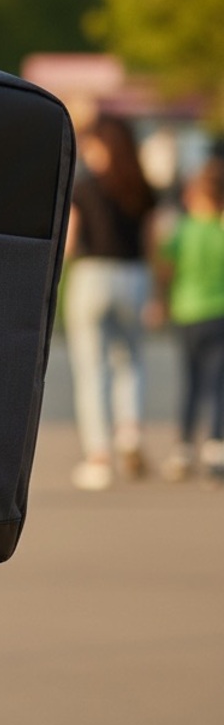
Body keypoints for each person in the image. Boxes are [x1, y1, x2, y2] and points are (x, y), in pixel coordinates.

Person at [63, 114, 158, 491]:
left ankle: (98, 457)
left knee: (91, 369)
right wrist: (156, 293)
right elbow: (152, 242)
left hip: (91, 278)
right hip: (134, 276)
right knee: (130, 362)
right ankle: (130, 434)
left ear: (102, 146)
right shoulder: (142, 188)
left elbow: (70, 241)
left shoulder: (83, 188)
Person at [154, 159, 224, 483]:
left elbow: (166, 267)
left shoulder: (182, 229)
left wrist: (161, 302)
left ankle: (184, 447)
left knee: (191, 384)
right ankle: (215, 447)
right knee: (218, 385)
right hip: (219, 314)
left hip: (187, 313)